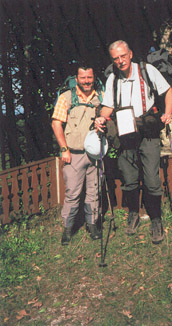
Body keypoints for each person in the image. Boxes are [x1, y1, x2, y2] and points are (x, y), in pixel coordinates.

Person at [95, 40, 172, 244]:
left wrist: (167, 113)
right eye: (115, 58)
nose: (120, 61)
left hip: (147, 130)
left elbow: (168, 92)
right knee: (128, 177)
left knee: (151, 178)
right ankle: (133, 213)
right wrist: (102, 118)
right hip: (125, 132)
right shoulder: (113, 79)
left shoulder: (147, 71)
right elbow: (107, 106)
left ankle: (156, 218)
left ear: (130, 54)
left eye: (123, 56)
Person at [52, 64, 103, 245]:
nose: (87, 81)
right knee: (72, 193)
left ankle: (92, 225)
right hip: (73, 155)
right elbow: (56, 124)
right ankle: (68, 228)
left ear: (93, 77)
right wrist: (64, 149)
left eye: (89, 77)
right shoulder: (66, 97)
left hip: (96, 155)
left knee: (94, 191)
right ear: (77, 78)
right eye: (83, 78)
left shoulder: (101, 97)